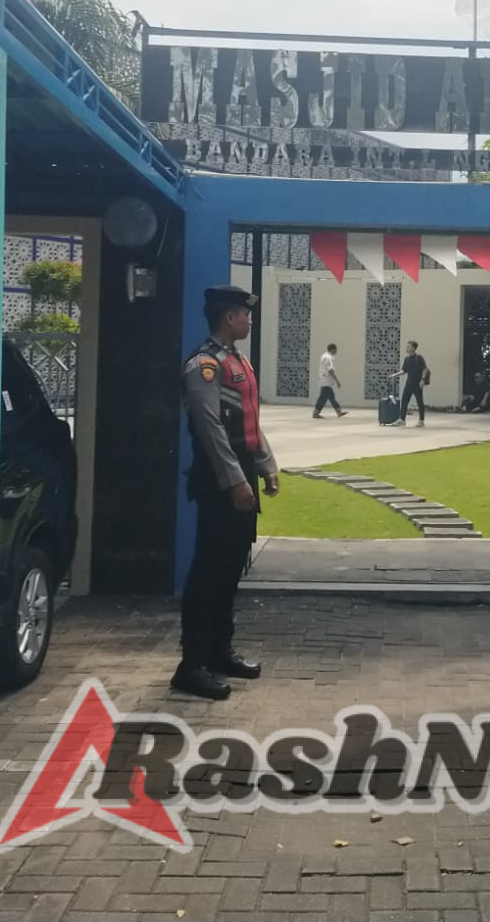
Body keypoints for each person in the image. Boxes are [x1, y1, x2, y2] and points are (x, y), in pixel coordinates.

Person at [174, 284, 279, 700]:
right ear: (227, 318)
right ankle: (191, 663)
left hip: (241, 477)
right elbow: (211, 430)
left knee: (232, 568)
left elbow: (250, 422)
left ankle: (220, 650)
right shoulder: (203, 365)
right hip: (219, 482)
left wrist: (266, 467)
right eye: (244, 314)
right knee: (209, 571)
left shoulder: (237, 362)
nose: (249, 320)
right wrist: (234, 480)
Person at [397, 340, 429, 427]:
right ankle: (402, 420)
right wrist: (395, 375)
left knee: (419, 402)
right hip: (409, 384)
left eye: (408, 346)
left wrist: (422, 380)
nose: (406, 348)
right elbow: (404, 370)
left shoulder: (418, 357)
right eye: (406, 346)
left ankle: (421, 421)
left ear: (413, 348)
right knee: (404, 401)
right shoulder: (407, 358)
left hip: (417, 384)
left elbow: (425, 369)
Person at [313, 342, 347, 417]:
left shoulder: (324, 356)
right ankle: (316, 413)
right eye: (336, 350)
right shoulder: (328, 358)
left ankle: (339, 412)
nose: (336, 352)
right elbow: (330, 370)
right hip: (326, 381)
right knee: (323, 398)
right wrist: (337, 381)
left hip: (325, 380)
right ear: (332, 349)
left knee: (331, 397)